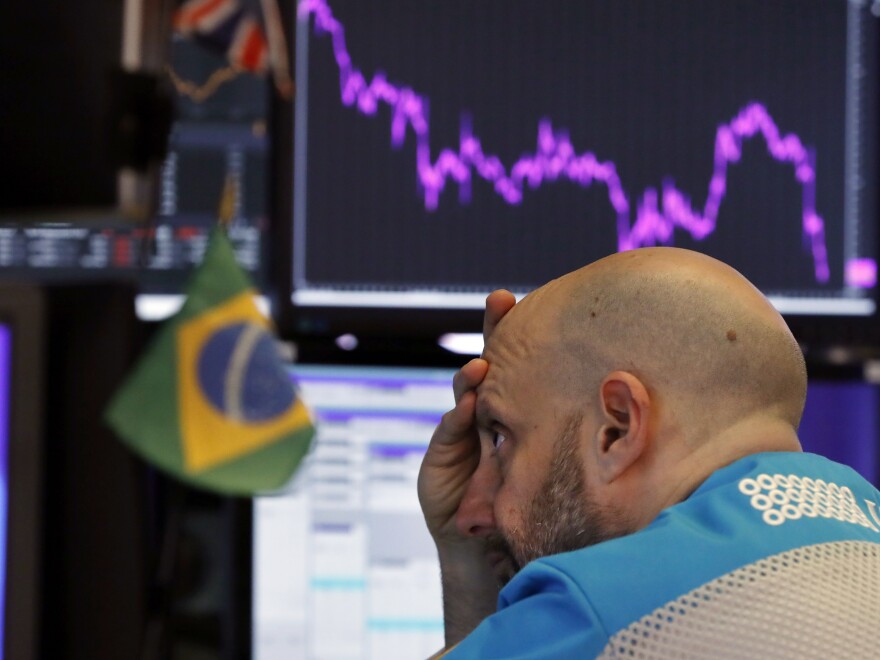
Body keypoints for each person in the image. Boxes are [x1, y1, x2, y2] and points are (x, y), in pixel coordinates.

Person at [418, 247, 880, 658]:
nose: (470, 512)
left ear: (617, 427)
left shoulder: (605, 606)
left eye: (501, 437)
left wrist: (464, 561)